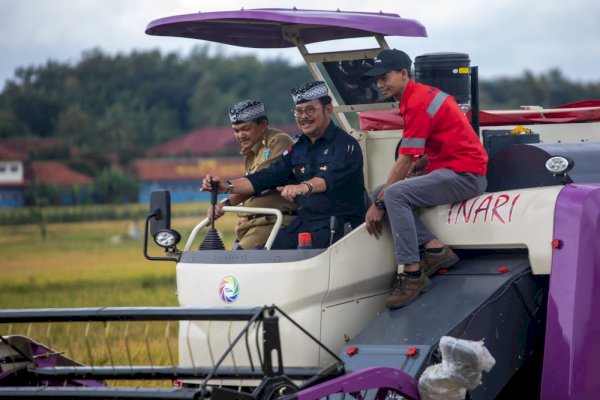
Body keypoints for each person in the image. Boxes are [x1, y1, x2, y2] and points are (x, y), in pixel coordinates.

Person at [361, 49, 489, 309]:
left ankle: (411, 273)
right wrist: (422, 164)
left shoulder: (417, 103)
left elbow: (404, 159)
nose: (380, 84)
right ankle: (433, 247)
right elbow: (440, 143)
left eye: (384, 77)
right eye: (377, 80)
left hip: (466, 175)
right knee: (380, 192)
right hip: (452, 168)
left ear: (404, 74)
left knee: (391, 194)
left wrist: (381, 203)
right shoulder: (417, 97)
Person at [202, 81, 366, 249]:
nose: (303, 116)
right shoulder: (298, 148)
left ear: (328, 109)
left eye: (310, 110)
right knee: (264, 254)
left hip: (340, 225)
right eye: (299, 111)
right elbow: (267, 176)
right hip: (306, 223)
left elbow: (329, 177)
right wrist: (227, 186)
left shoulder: (346, 145)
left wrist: (304, 187)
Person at [208, 99, 297, 250]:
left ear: (263, 125)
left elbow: (260, 181)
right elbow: (250, 188)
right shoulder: (252, 151)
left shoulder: (278, 141)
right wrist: (224, 205)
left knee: (236, 265)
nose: (240, 135)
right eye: (236, 131)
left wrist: (228, 187)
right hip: (254, 224)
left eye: (245, 129)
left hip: (274, 221)